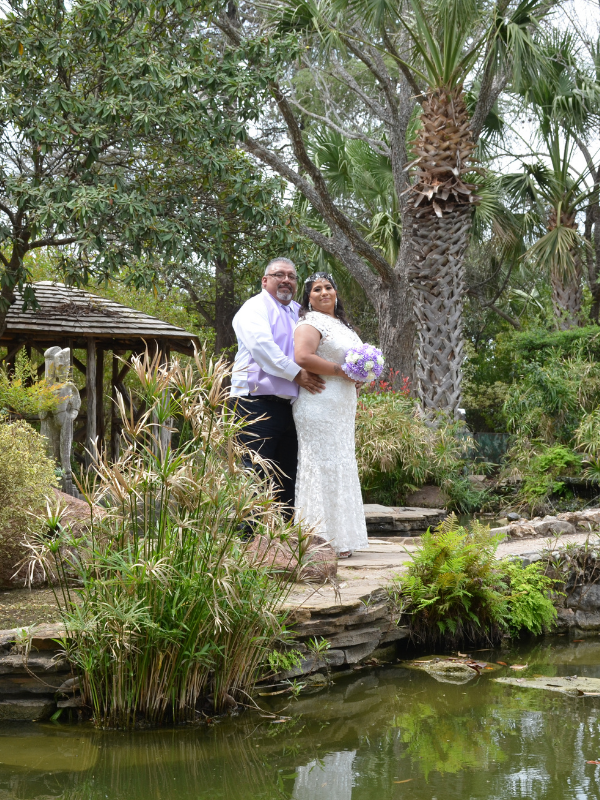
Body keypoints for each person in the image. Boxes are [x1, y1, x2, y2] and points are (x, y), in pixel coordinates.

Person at [230, 258, 325, 517]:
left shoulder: (299, 313)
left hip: (291, 407)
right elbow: (263, 349)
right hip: (254, 402)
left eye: (292, 276)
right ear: (265, 280)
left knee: (287, 475)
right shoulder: (254, 308)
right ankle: (245, 542)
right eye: (278, 274)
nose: (286, 280)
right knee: (254, 472)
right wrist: (297, 375)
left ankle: (281, 544)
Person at [293, 273, 369, 557]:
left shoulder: (344, 326)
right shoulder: (310, 322)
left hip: (342, 405)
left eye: (328, 287)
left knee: (341, 463)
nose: (324, 292)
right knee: (321, 464)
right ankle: (317, 538)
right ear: (309, 297)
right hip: (319, 401)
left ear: (336, 292)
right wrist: (341, 371)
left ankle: (340, 538)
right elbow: (302, 357)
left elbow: (354, 361)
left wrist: (362, 374)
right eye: (316, 289)